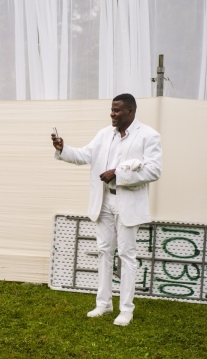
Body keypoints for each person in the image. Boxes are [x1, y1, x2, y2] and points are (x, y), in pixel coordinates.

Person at [51, 94, 162, 326]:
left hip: (128, 203)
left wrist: (118, 174)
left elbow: (153, 171)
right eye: (111, 110)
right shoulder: (104, 134)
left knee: (127, 255)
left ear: (130, 111)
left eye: (117, 110)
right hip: (103, 202)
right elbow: (85, 155)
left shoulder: (149, 135)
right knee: (104, 252)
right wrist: (63, 149)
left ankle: (126, 309)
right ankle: (103, 304)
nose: (112, 114)